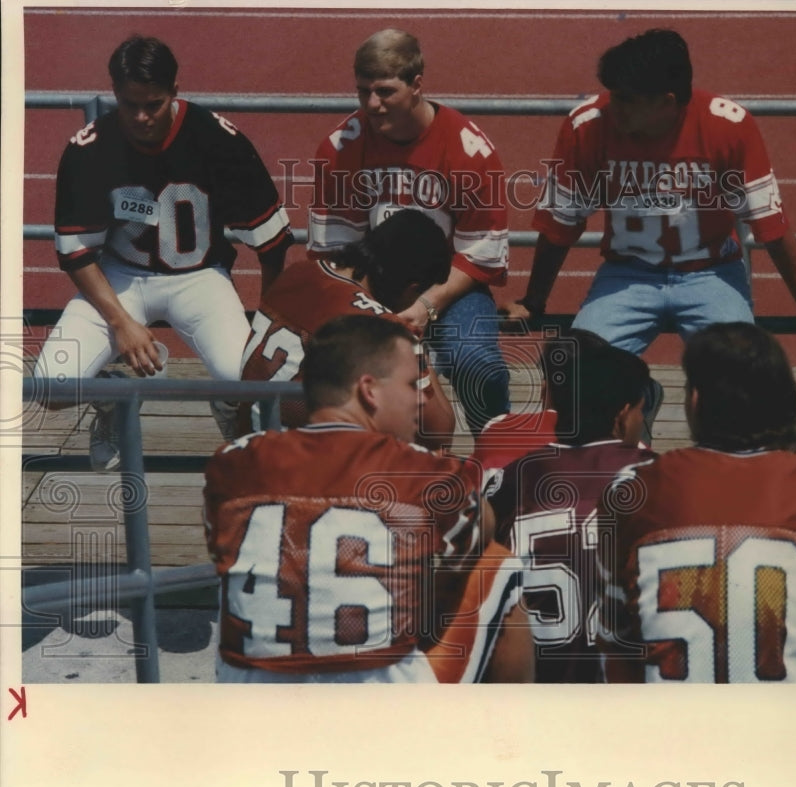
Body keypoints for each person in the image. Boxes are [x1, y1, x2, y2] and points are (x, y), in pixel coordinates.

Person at [500, 28, 796, 435]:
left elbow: (770, 225)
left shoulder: (727, 125)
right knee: (575, 377)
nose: (612, 108)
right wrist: (535, 300)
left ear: (667, 102)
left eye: (626, 100)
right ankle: (641, 403)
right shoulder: (588, 125)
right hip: (627, 273)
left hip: (711, 271)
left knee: (738, 383)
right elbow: (561, 224)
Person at [205, 314, 532, 683]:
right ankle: (512, 728)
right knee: (496, 563)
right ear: (369, 391)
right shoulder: (423, 472)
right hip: (371, 709)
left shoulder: (231, 461)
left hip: (251, 699)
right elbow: (482, 526)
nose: (419, 402)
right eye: (412, 385)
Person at [32, 36, 294, 472]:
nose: (140, 117)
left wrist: (266, 321)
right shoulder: (91, 148)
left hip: (199, 276)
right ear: (115, 92)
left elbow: (273, 242)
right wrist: (122, 323)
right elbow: (76, 254)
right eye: (129, 103)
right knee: (50, 387)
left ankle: (230, 406)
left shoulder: (216, 138)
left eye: (152, 104)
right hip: (121, 274)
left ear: (175, 89)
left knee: (247, 379)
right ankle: (113, 401)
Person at [598, 322, 796, 683]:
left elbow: (617, 634)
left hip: (672, 724)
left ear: (696, 399)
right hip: (782, 725)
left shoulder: (632, 489)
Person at [308, 28, 511, 435]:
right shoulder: (340, 147)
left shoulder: (468, 150)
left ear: (417, 85)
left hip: (450, 289)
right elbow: (336, 256)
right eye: (362, 91)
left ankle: (498, 460)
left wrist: (428, 305)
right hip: (369, 289)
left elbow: (480, 256)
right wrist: (370, 310)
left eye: (384, 92)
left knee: (479, 366)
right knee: (336, 366)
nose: (371, 104)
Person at [488, 330, 655, 682]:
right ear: (623, 415)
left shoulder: (516, 477)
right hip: (623, 685)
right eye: (641, 411)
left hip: (537, 676)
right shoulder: (658, 475)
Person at [238, 208, 455, 449]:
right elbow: (438, 432)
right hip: (303, 463)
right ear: (411, 287)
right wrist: (415, 344)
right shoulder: (381, 327)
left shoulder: (299, 271)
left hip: (249, 442)